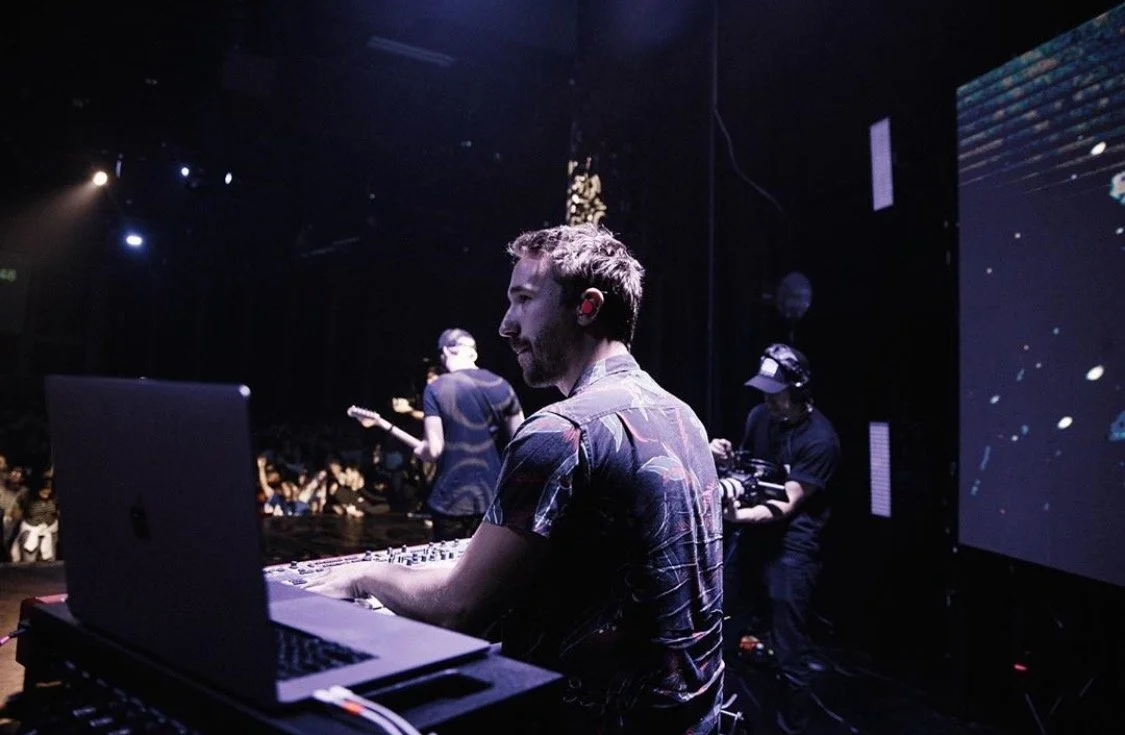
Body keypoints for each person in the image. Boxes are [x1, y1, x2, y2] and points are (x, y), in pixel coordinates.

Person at [308, 223, 725, 733]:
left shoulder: (563, 428)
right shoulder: (683, 416)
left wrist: (361, 575)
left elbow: (456, 609)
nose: (506, 326)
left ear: (587, 306)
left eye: (524, 299)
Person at [709, 343, 840, 735]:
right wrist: (725, 459)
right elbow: (753, 471)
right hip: (753, 537)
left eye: (775, 393)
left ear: (797, 391)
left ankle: (792, 728)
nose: (767, 400)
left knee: (788, 649)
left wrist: (735, 514)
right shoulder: (759, 417)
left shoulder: (821, 440)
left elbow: (788, 503)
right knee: (721, 626)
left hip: (793, 547)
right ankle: (721, 716)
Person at [413, 328, 525, 540]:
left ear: (446, 351)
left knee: (448, 560)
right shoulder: (502, 386)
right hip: (492, 497)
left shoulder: (436, 388)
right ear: (473, 352)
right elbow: (521, 445)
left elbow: (433, 450)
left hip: (450, 499)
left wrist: (419, 449)